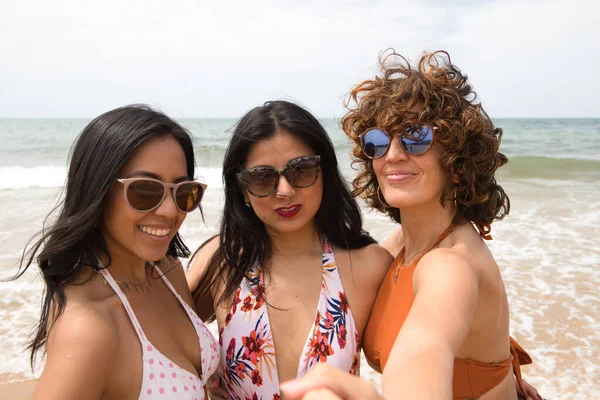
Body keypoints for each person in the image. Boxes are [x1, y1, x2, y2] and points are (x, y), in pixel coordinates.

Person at [280, 51, 540, 400]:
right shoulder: (401, 244)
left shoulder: (450, 266)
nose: (393, 154)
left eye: (416, 136)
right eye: (378, 141)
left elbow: (423, 352)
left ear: (457, 154)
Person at [187, 100, 392, 400]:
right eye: (262, 177)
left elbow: (420, 354)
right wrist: (201, 366)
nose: (284, 190)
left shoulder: (369, 266)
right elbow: (153, 330)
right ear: (243, 189)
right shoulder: (223, 261)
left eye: (301, 170)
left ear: (325, 173)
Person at [13, 105, 219, 399]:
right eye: (145, 190)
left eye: (183, 192)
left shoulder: (167, 270)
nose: (170, 210)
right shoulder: (88, 329)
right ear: (98, 192)